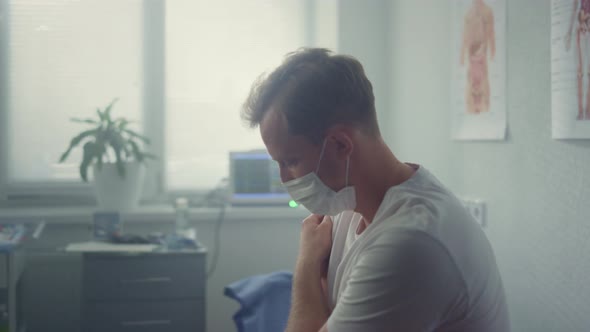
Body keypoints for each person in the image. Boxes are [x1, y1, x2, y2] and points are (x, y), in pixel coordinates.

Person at [241, 48, 510, 332]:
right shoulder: (347, 203)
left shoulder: (410, 243)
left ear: (340, 145)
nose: (284, 179)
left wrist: (306, 265)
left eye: (290, 161)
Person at [460, 0, 496, 114]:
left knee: (483, 78)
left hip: (482, 54)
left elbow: (491, 32)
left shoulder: (487, 11)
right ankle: (471, 110)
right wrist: (462, 53)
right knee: (470, 79)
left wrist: (492, 48)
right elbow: (465, 35)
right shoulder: (468, 14)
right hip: (472, 54)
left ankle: (484, 109)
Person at [566, 0, 590, 120]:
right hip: (580, 28)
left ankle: (587, 110)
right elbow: (575, 7)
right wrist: (569, 33)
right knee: (580, 72)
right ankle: (581, 111)